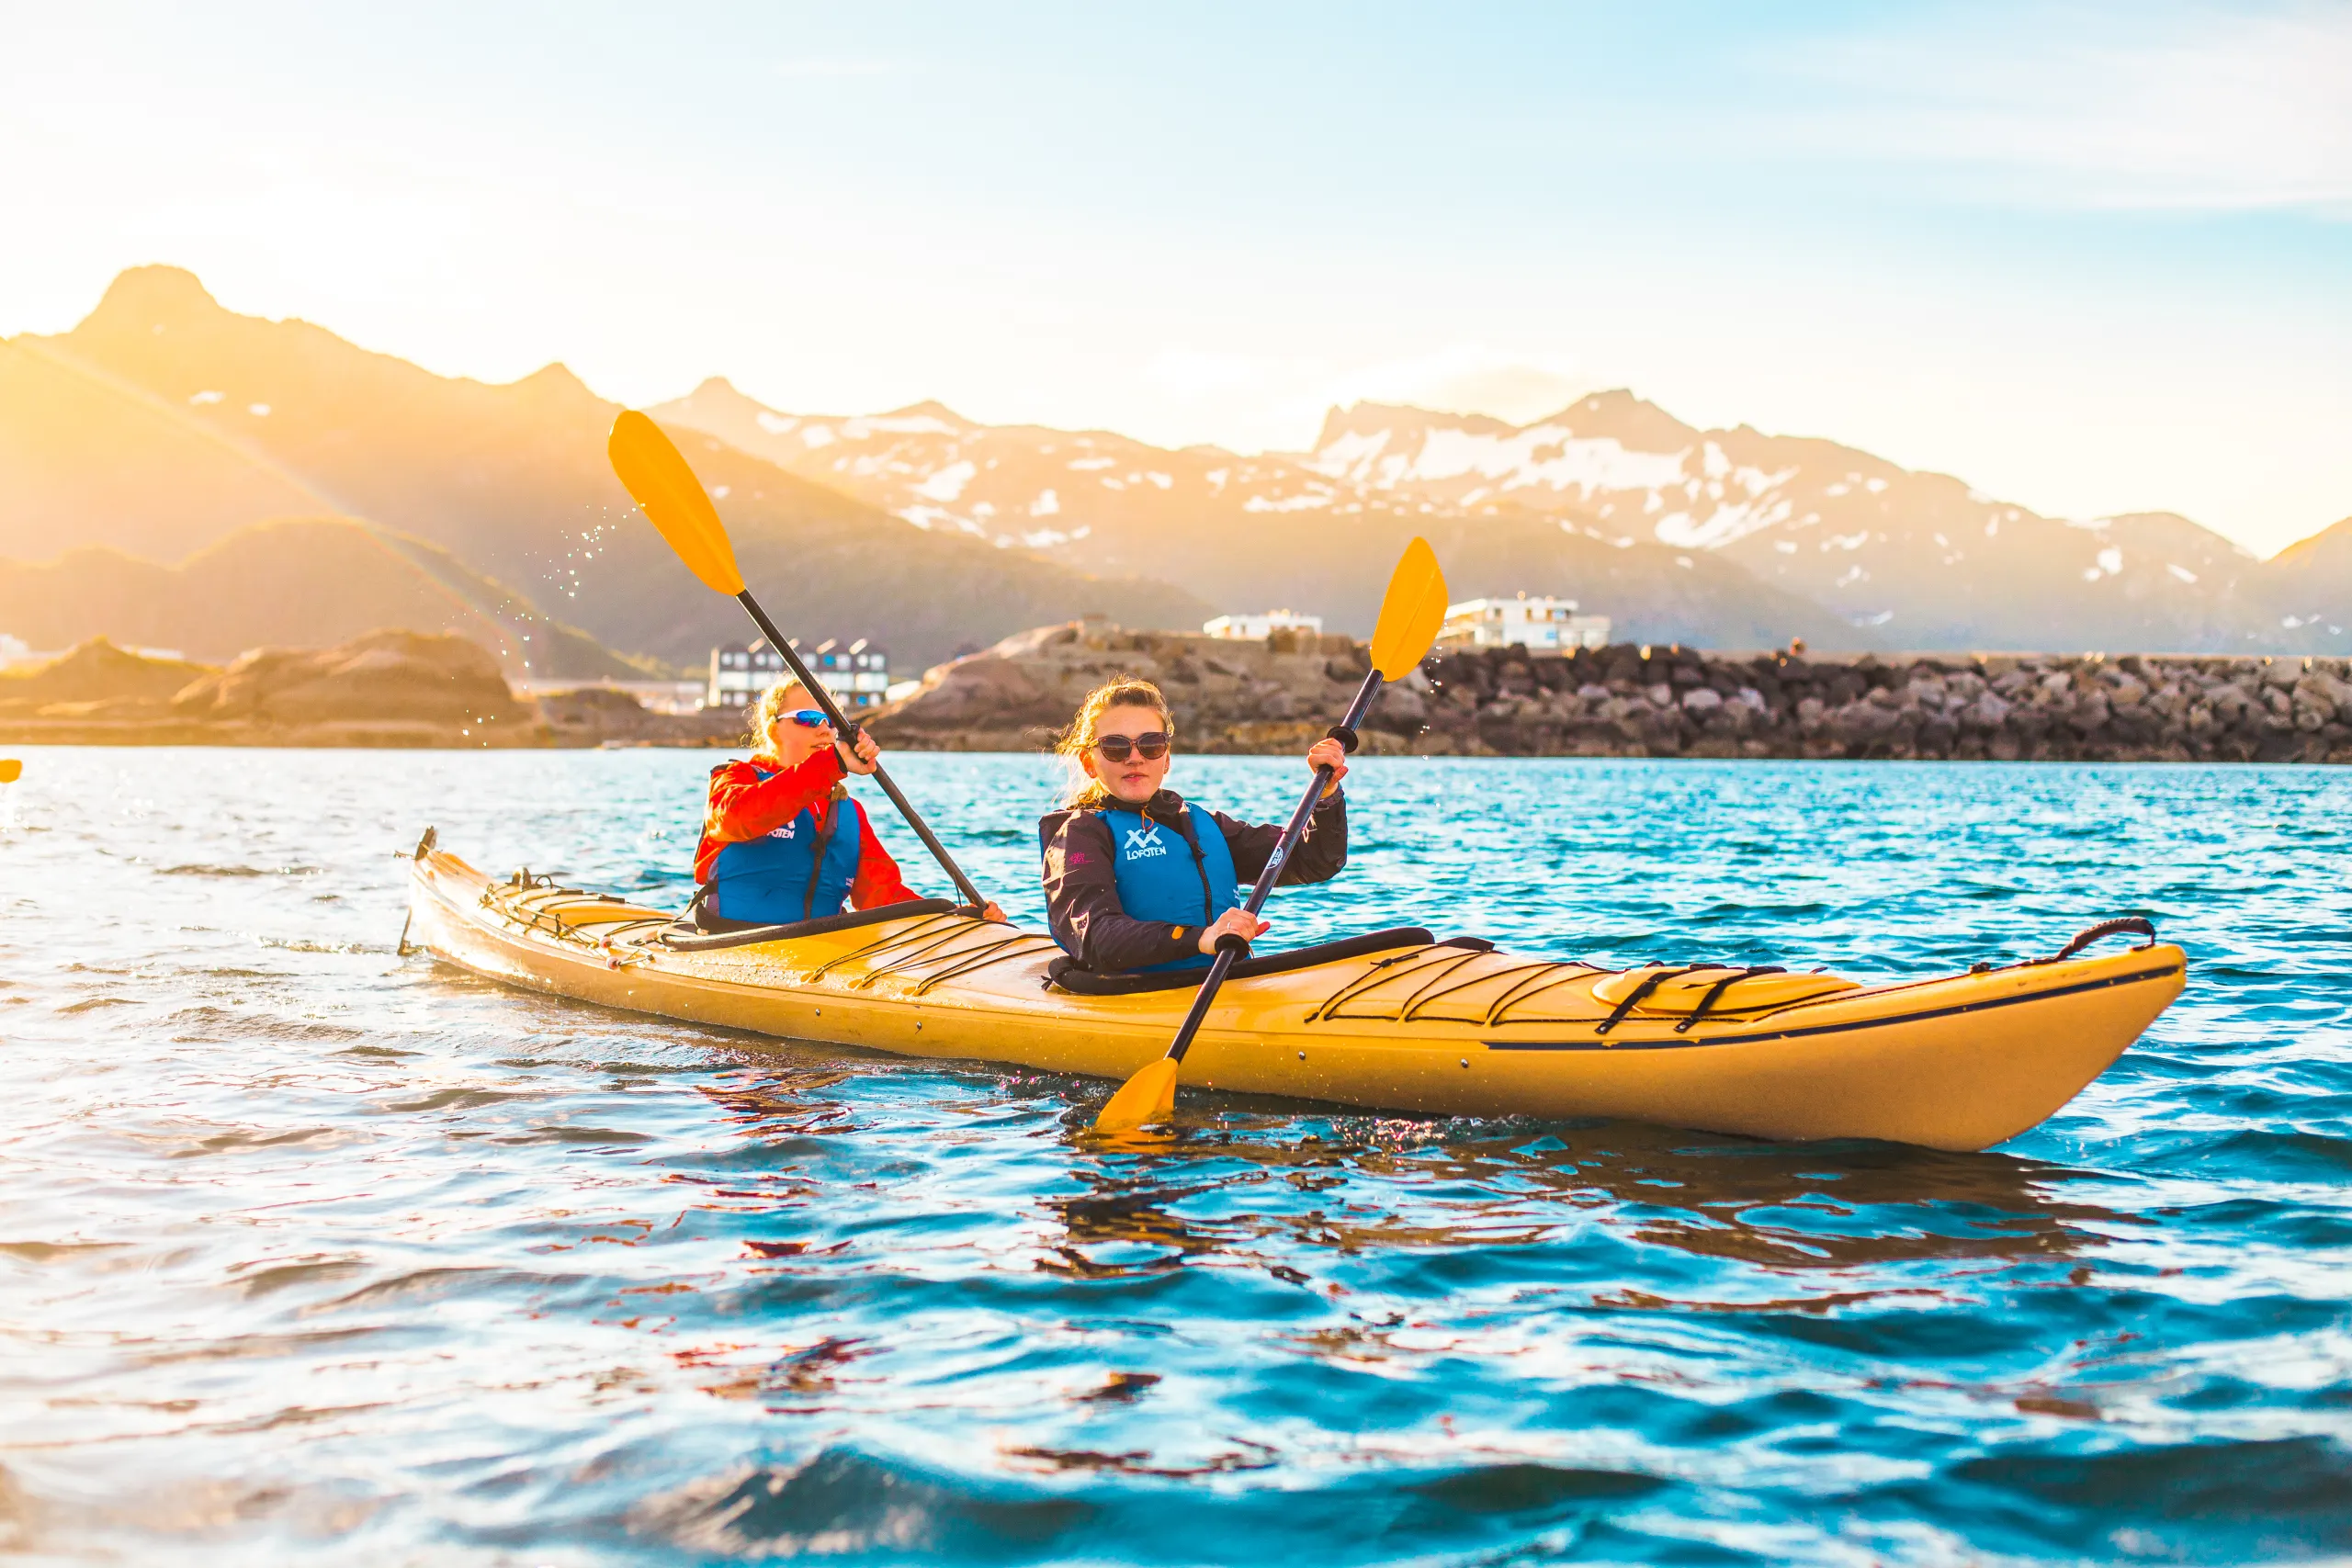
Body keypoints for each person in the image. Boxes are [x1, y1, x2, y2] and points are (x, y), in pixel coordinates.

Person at [1038, 677, 1351, 973]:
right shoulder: (1079, 837)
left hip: (1226, 981)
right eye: (1115, 747)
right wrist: (1200, 939)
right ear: (1089, 763)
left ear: (1166, 758)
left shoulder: (1200, 824)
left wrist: (1325, 795)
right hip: (1133, 991)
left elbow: (1315, 860)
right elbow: (1093, 935)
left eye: (1151, 744)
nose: (1135, 758)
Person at [694, 682, 1004, 927]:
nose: (823, 729)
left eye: (829, 721)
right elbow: (737, 818)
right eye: (807, 719)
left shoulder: (848, 811)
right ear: (773, 729)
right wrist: (834, 762)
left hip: (821, 956)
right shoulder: (735, 779)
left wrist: (956, 921)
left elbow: (882, 896)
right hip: (731, 942)